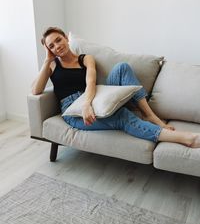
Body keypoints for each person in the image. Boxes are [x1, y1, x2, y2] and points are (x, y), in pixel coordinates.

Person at [32, 27, 200, 148]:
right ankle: (186, 138)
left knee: (122, 68)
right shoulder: (52, 65)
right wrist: (47, 60)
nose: (57, 46)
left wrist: (87, 104)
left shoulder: (86, 58)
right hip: (72, 111)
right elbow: (35, 90)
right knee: (122, 116)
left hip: (92, 98)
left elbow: (91, 82)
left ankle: (150, 115)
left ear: (66, 38)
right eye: (51, 46)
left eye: (58, 40)